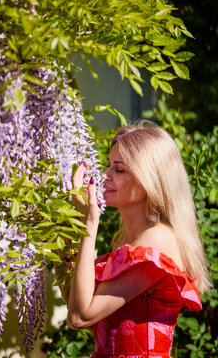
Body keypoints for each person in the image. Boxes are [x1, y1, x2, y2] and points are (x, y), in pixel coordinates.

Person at [63, 119, 211, 357]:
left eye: (119, 169)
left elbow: (79, 317)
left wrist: (89, 226)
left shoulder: (157, 241)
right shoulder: (129, 240)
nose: (103, 175)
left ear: (148, 180)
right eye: (109, 165)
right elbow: (79, 306)